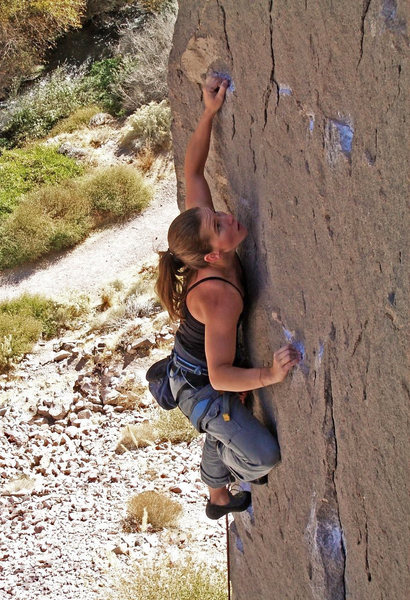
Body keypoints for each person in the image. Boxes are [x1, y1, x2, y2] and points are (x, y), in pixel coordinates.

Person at [155, 74, 300, 520]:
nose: (224, 215)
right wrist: (268, 376)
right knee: (262, 458)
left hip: (195, 369)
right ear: (213, 253)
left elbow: (193, 170)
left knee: (229, 419)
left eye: (214, 214)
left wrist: (209, 111)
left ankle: (217, 494)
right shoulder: (217, 296)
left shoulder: (203, 239)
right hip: (199, 387)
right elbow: (220, 378)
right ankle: (222, 476)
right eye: (218, 225)